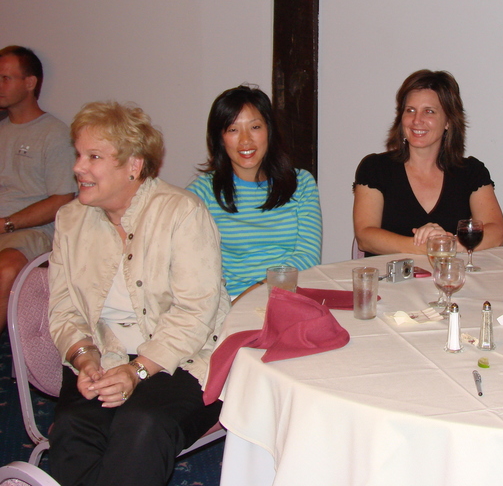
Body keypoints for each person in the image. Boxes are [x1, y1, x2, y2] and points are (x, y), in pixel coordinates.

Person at [48, 102, 230, 486]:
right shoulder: (70, 220)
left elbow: (196, 312)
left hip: (182, 357)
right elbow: (63, 307)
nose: (78, 167)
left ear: (133, 164)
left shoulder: (181, 212)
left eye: (94, 157)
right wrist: (84, 357)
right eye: (78, 155)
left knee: (142, 425)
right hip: (104, 353)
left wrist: (137, 370)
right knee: (73, 428)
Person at [188, 84, 322, 297]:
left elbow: (308, 256)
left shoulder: (301, 183)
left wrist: (256, 291)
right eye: (233, 130)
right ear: (220, 138)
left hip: (289, 295)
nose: (245, 140)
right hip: (231, 300)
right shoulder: (203, 191)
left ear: (269, 130)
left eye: (255, 127)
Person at [353, 69, 503, 256]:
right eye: (410, 110)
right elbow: (365, 237)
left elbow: (496, 233)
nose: (417, 120)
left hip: (450, 272)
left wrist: (447, 244)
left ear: (448, 121)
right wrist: (427, 247)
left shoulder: (471, 172)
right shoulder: (375, 168)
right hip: (389, 274)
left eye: (429, 111)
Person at [0, 45, 75, 333]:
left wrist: (6, 224)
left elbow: (62, 199)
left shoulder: (54, 133)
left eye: (6, 78)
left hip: (30, 232)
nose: (0, 85)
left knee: (6, 269)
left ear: (30, 82)